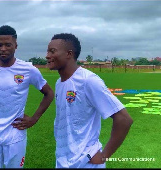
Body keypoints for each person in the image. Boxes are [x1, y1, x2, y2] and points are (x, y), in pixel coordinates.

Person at [45, 33, 133, 168]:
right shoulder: (59, 82)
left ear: (69, 54)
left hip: (85, 162)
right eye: (48, 51)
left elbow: (124, 119)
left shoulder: (88, 81)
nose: (47, 55)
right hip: (63, 159)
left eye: (52, 51)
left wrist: (105, 155)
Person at [0, 25, 54, 168]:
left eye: (8, 45)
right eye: (0, 45)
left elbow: (49, 93)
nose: (3, 49)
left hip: (15, 135)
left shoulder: (28, 69)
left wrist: (34, 119)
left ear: (15, 46)